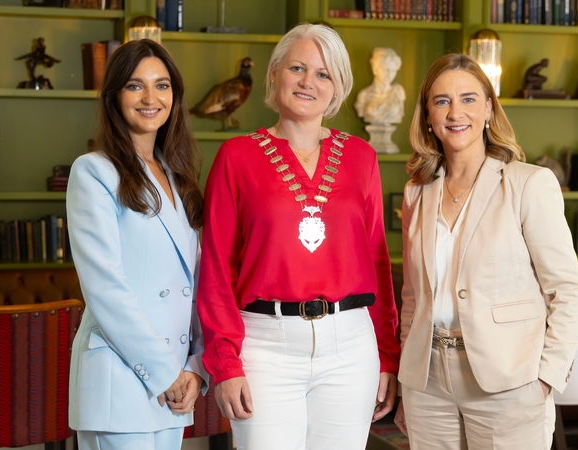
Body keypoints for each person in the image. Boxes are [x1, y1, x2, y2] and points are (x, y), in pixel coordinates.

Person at [197, 23, 401, 450]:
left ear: (338, 86)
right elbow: (215, 267)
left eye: (324, 73)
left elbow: (378, 261)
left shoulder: (362, 157)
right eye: (297, 68)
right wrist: (225, 363)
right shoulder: (235, 157)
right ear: (274, 74)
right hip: (265, 346)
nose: (309, 81)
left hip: (351, 345)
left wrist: (387, 355)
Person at [394, 53, 578, 449]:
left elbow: (567, 289)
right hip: (427, 382)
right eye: (441, 101)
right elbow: (412, 296)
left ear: (487, 109)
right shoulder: (416, 192)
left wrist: (547, 377)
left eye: (468, 98)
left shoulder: (529, 184)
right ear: (427, 115)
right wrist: (405, 377)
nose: (454, 112)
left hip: (508, 381)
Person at [66, 39, 207, 450]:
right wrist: (166, 372)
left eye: (162, 86)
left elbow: (195, 285)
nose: (151, 98)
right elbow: (105, 287)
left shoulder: (177, 177)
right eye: (135, 86)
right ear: (114, 97)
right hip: (124, 381)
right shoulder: (93, 172)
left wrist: (195, 367)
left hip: (175, 384)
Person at [354, 47, 406, 125]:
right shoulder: (364, 95)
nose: (389, 75)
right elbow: (360, 110)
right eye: (386, 70)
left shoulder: (398, 92)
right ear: (375, 69)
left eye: (393, 71)